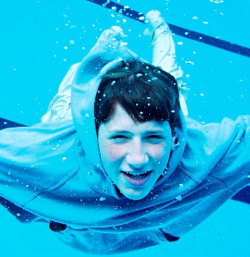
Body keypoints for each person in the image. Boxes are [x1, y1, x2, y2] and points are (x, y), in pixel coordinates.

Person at [0, 10, 249, 255]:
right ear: (94, 136)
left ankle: (160, 32)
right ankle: (96, 60)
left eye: (153, 138)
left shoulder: (207, 153)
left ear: (174, 137)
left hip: (149, 233)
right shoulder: (47, 157)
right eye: (119, 138)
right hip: (81, 224)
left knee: (169, 82)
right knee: (66, 104)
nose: (138, 159)